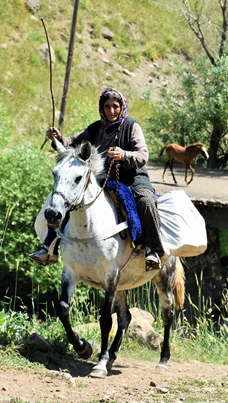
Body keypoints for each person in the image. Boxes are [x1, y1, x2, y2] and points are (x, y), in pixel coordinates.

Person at [29, 87, 164, 269]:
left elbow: (143, 155)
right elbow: (72, 142)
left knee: (146, 201)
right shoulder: (95, 128)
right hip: (102, 179)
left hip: (132, 177)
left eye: (115, 106)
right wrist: (58, 138)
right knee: (68, 198)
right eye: (107, 106)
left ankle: (153, 250)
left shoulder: (132, 126)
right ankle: (49, 247)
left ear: (122, 107)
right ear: (102, 108)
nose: (111, 111)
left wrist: (124, 155)